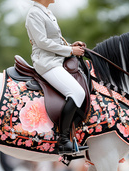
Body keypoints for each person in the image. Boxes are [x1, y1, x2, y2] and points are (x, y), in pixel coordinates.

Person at [25, 0, 87, 154]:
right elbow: (43, 42)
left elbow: (54, 39)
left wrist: (71, 45)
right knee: (77, 93)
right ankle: (63, 140)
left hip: (57, 59)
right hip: (47, 62)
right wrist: (71, 50)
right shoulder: (34, 14)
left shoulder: (47, 12)